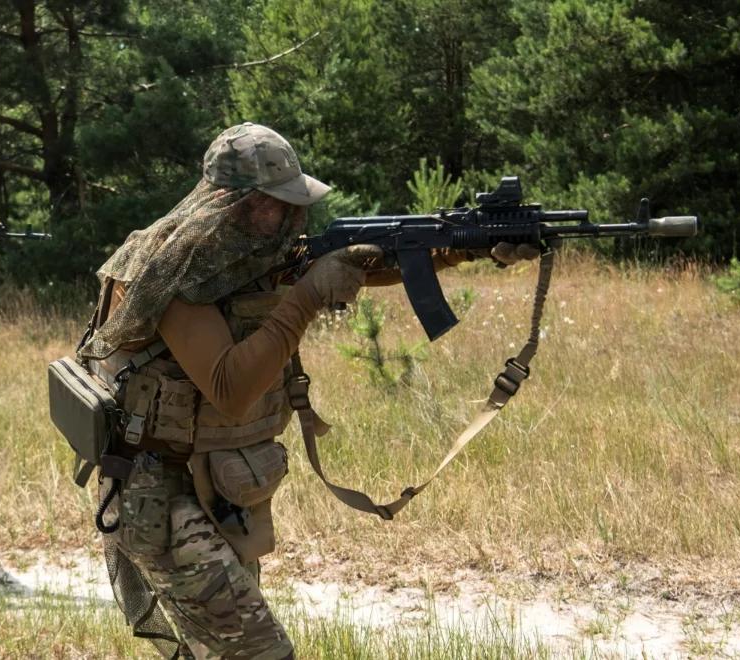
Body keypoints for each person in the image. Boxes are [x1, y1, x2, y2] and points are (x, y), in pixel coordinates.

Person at [76, 123, 539, 658]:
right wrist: (309, 295)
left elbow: (361, 261)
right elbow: (230, 388)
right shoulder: (174, 272)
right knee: (261, 651)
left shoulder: (241, 250)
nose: (293, 218)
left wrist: (461, 249)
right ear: (236, 204)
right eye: (278, 205)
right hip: (157, 496)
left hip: (212, 487)